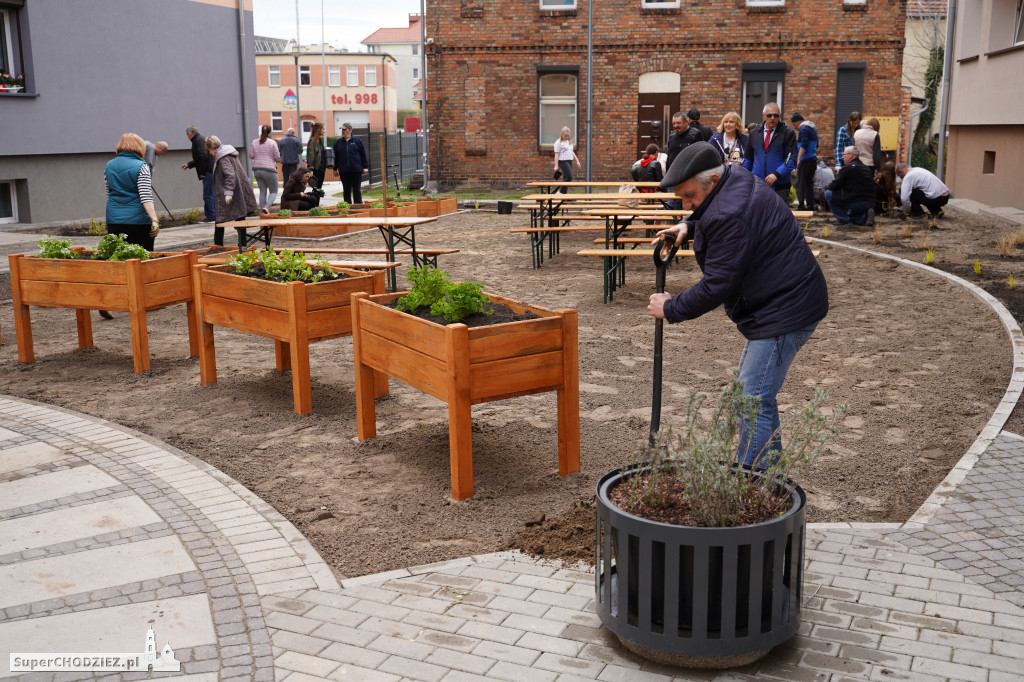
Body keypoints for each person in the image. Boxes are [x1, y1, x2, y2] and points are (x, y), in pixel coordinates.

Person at [648, 142, 828, 468]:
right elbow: (711, 209)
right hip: (782, 298)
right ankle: (768, 476)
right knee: (756, 395)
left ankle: (750, 485)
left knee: (750, 400)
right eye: (681, 198)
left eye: (688, 196)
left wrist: (671, 307)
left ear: (712, 181)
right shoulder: (732, 175)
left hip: (785, 308)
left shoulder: (728, 214)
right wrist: (689, 225)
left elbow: (718, 284)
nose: (685, 203)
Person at [101, 133, 161, 320]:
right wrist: (154, 219)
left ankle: (107, 300)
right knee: (142, 261)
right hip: (138, 221)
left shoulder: (109, 165)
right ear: (139, 147)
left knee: (118, 261)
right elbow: (145, 195)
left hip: (114, 219)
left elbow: (109, 191)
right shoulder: (141, 166)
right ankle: (144, 301)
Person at [205, 134, 258, 246]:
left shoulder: (222, 156)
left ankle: (218, 246)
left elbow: (229, 174)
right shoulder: (228, 153)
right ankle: (242, 245)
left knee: (220, 220)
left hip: (229, 192)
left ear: (213, 148)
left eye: (209, 150)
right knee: (239, 216)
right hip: (237, 190)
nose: (210, 153)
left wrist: (228, 192)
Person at [742, 102, 797, 204]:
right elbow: (748, 158)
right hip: (758, 185)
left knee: (778, 218)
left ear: (779, 116)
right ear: (763, 116)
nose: (772, 118)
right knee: (758, 217)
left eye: (776, 115)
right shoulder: (754, 133)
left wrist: (777, 174)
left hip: (780, 186)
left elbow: (791, 159)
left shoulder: (788, 133)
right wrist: (743, 175)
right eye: (769, 115)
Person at [826, 146, 876, 226]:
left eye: (844, 154)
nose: (842, 157)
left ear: (851, 155)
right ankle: (865, 216)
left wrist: (827, 187)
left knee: (828, 193)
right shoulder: (866, 168)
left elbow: (835, 185)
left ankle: (844, 220)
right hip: (870, 201)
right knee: (854, 219)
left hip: (855, 201)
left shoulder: (848, 168)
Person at [664, 112, 704, 209]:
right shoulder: (672, 136)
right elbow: (670, 156)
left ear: (687, 121)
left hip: (689, 178)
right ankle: (672, 224)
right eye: (673, 123)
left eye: (678, 123)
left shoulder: (696, 135)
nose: (675, 126)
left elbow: (702, 155)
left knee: (688, 206)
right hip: (673, 178)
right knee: (672, 206)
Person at [181, 125, 215, 223]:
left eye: (187, 134)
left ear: (190, 133)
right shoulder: (199, 140)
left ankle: (211, 216)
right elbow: (199, 158)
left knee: (208, 195)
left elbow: (203, 157)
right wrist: (189, 164)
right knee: (208, 195)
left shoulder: (199, 141)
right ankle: (210, 216)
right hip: (208, 170)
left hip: (207, 171)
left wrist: (202, 173)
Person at [332, 122, 369, 205]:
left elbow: (363, 154)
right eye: (342, 129)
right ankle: (347, 205)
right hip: (344, 170)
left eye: (345, 129)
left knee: (357, 189)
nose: (343, 131)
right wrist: (335, 168)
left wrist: (365, 166)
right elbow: (335, 156)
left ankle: (358, 204)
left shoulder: (357, 141)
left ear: (350, 130)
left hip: (356, 169)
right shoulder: (338, 142)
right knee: (346, 189)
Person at [790, 112, 819, 212]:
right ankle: (811, 205)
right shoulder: (812, 128)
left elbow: (804, 144)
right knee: (808, 183)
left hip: (805, 160)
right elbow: (816, 145)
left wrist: (798, 158)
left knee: (800, 183)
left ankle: (801, 205)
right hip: (813, 159)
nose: (794, 127)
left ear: (798, 122)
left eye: (794, 125)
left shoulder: (803, 128)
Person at [249, 125, 281, 214]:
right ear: (270, 132)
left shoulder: (254, 142)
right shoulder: (272, 143)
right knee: (274, 191)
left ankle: (263, 214)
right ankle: (267, 207)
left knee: (262, 191)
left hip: (257, 170)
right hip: (269, 170)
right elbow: (277, 157)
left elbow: (251, 155)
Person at [552, 126, 581, 194]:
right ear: (561, 134)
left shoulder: (569, 141)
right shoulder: (558, 143)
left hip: (569, 160)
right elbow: (556, 154)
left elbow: (572, 151)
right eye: (565, 136)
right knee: (569, 176)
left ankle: (564, 195)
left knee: (566, 178)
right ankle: (560, 192)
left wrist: (577, 161)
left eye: (568, 136)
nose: (567, 137)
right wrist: (556, 166)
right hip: (563, 161)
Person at [306, 122, 326, 189]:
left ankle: (317, 199)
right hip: (316, 169)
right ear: (319, 130)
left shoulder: (320, 140)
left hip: (322, 168)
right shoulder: (312, 141)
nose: (324, 131)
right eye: (323, 129)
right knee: (316, 189)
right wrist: (310, 169)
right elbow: (310, 156)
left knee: (319, 189)